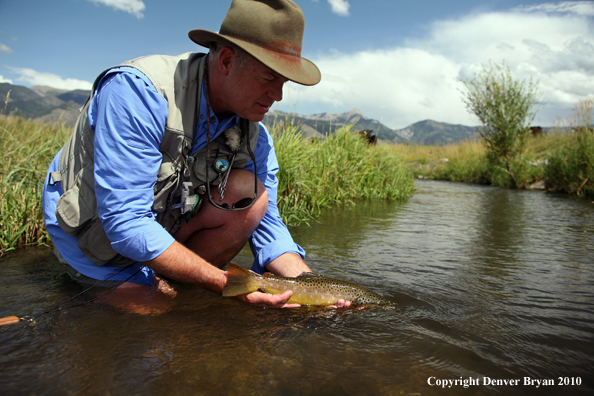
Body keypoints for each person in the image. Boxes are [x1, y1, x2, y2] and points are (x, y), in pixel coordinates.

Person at [42, 0, 351, 311]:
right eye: (269, 78)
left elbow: (268, 227)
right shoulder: (138, 92)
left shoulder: (255, 134)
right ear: (227, 61)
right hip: (96, 239)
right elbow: (125, 222)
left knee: (253, 196)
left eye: (284, 82)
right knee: (156, 313)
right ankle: (134, 284)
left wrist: (318, 290)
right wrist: (222, 283)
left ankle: (173, 278)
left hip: (161, 227)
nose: (278, 95)